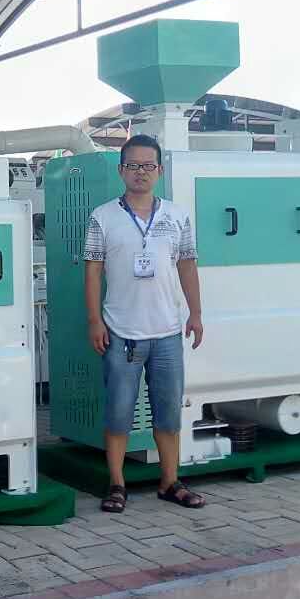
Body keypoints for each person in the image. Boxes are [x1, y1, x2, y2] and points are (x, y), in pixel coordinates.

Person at [83, 134, 205, 514]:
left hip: (167, 331)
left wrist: (196, 314)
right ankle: (116, 484)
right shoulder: (103, 217)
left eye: (148, 165)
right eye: (133, 165)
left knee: (168, 412)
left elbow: (187, 264)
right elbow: (93, 271)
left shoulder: (177, 216)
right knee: (119, 412)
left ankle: (170, 482)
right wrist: (95, 321)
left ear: (159, 171)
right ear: (121, 170)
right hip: (121, 332)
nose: (141, 172)